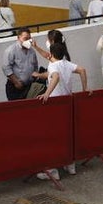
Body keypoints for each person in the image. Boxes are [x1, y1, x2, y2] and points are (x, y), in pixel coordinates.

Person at [35, 40, 87, 178]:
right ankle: (70, 165)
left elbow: (55, 76)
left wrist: (47, 93)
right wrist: (84, 89)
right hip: (67, 101)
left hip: (55, 103)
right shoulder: (66, 63)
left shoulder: (53, 65)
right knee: (67, 134)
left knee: (53, 136)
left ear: (51, 54)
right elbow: (82, 70)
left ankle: (52, 170)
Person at [3, 28, 44, 100]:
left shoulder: (32, 51)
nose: (28, 41)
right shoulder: (11, 50)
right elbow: (6, 67)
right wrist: (16, 82)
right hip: (15, 87)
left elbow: (35, 65)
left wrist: (35, 76)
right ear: (18, 38)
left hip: (29, 86)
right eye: (25, 38)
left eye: (29, 38)